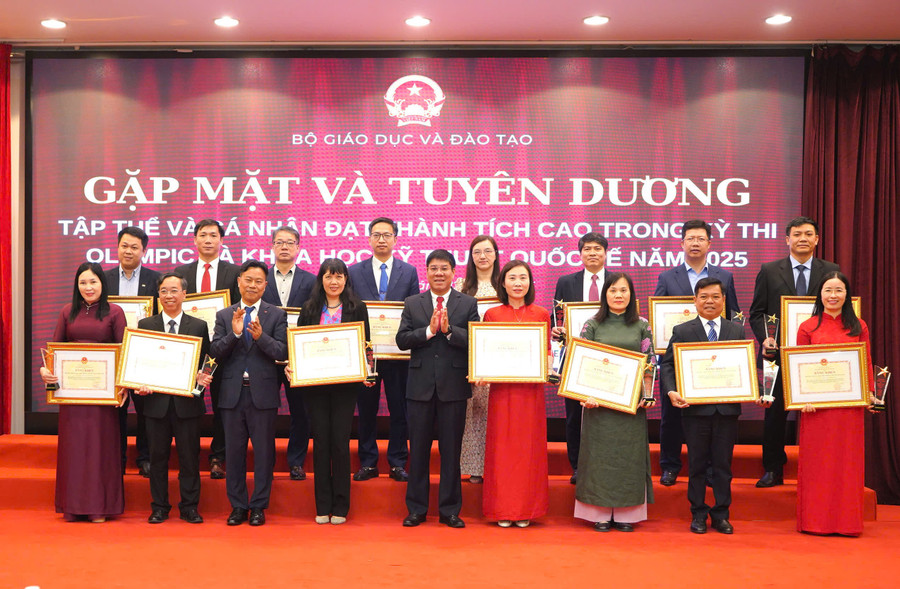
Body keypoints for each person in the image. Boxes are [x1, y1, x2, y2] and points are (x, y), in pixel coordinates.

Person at [749, 216, 840, 488]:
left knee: (820, 413)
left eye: (808, 234)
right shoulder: (769, 270)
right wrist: (766, 338)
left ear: (817, 239)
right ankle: (773, 468)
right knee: (774, 414)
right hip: (776, 356)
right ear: (787, 239)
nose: (803, 238)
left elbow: (838, 308)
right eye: (797, 234)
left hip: (817, 356)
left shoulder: (831, 270)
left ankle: (820, 470)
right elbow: (757, 313)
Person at [660, 277, 753, 535]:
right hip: (695, 410)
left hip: (726, 410)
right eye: (704, 297)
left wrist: (754, 390)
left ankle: (721, 514)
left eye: (715, 296)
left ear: (724, 300)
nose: (709, 301)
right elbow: (668, 365)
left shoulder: (736, 330)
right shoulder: (683, 330)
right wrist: (671, 390)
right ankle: (698, 513)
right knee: (697, 464)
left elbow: (743, 365)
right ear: (695, 300)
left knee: (723, 465)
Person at [653, 220, 741, 487]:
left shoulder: (724, 276)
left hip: (715, 361)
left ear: (709, 244)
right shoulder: (667, 277)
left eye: (700, 239)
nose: (695, 243)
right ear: (682, 243)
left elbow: (734, 313)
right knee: (671, 415)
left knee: (712, 417)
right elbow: (658, 316)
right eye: (690, 238)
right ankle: (670, 465)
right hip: (678, 356)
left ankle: (712, 469)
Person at [397, 249, 480, 528]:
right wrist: (429, 332)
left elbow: (475, 339)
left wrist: (448, 331)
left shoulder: (467, 303)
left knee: (451, 452)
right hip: (419, 389)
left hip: (453, 388)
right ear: (427, 272)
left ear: (454, 272)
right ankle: (416, 509)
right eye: (433, 268)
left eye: (444, 268)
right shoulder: (413, 303)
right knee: (418, 451)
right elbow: (402, 340)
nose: (439, 273)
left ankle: (450, 510)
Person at [288, 259, 373, 524]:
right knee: (321, 443)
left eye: (338, 276)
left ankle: (341, 507)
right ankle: (322, 505)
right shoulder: (309, 308)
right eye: (328, 276)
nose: (333, 282)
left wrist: (368, 371)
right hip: (316, 386)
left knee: (339, 443)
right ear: (321, 280)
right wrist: (293, 366)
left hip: (346, 386)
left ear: (346, 279)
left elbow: (366, 344)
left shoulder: (357, 307)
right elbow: (299, 345)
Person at [39, 262, 126, 522]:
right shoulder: (67, 311)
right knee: (74, 449)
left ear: (102, 283)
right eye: (83, 283)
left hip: (102, 397)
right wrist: (45, 371)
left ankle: (99, 507)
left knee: (99, 449)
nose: (88, 287)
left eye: (93, 282)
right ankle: (73, 506)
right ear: (77, 285)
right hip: (72, 395)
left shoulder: (115, 312)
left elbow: (124, 354)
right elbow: (54, 351)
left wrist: (123, 386)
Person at [796, 272, 875, 536]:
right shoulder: (807, 327)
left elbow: (865, 361)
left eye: (838, 290)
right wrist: (803, 399)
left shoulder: (858, 326)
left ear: (847, 295)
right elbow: (800, 367)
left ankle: (847, 523)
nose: (833, 295)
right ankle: (815, 522)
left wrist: (869, 394)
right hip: (817, 411)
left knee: (847, 465)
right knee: (818, 465)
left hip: (849, 409)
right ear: (819, 294)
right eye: (828, 290)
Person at [210, 260, 287, 526]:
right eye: (248, 280)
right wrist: (234, 334)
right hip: (232, 394)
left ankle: (258, 506)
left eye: (258, 281)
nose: (252, 285)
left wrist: (260, 337)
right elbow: (215, 352)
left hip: (262, 395)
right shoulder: (224, 315)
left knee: (264, 453)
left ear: (265, 285)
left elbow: (282, 351)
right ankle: (238, 506)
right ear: (239, 282)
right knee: (234, 453)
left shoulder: (276, 315)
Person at [574, 272, 654, 532]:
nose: (618, 295)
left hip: (631, 407)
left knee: (628, 457)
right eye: (613, 290)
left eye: (623, 290)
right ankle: (597, 512)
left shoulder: (642, 324)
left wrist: (647, 394)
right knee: (598, 457)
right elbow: (580, 362)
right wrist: (584, 395)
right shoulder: (592, 324)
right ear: (604, 294)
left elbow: (650, 362)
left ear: (631, 294)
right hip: (597, 406)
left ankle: (626, 514)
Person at [135, 273, 212, 524]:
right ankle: (159, 507)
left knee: (189, 459)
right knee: (157, 459)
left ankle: (189, 507)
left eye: (174, 290)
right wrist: (138, 383)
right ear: (158, 295)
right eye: (164, 291)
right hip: (155, 404)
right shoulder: (146, 325)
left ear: (184, 294)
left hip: (187, 404)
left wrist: (201, 380)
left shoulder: (198, 326)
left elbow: (208, 361)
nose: (169, 296)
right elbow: (138, 363)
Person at [348, 217, 419, 483]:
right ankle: (368, 462)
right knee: (366, 409)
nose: (381, 240)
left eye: (387, 235)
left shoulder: (408, 271)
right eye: (376, 235)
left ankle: (398, 462)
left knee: (399, 409)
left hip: (398, 353)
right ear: (369, 239)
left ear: (395, 240)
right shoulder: (354, 272)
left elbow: (414, 309)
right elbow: (350, 310)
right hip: (366, 353)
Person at [481, 260, 551, 528]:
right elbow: (485, 350)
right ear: (503, 282)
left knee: (528, 449)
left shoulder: (541, 314)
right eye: (512, 278)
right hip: (502, 391)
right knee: (502, 449)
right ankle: (502, 508)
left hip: (530, 392)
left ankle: (526, 510)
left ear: (530, 282)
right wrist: (482, 370)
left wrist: (548, 367)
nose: (518, 283)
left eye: (523, 278)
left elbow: (547, 351)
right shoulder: (492, 314)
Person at [174, 219, 242, 480]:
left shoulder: (234, 272)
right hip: (190, 349)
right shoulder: (181, 272)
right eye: (203, 235)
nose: (208, 240)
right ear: (194, 240)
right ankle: (188, 455)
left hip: (222, 349)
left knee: (223, 404)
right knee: (188, 403)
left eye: (214, 235)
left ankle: (218, 456)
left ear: (222, 241)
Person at [551, 232, 609, 483]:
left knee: (606, 414)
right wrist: (557, 329)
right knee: (574, 415)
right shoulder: (566, 282)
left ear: (606, 253)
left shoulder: (616, 281)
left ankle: (605, 464)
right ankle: (577, 466)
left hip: (609, 357)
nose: (592, 253)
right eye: (587, 249)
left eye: (597, 248)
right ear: (580, 253)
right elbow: (558, 316)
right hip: (575, 357)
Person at [105, 225, 162, 479]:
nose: (128, 251)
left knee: (146, 409)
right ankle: (116, 458)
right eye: (124, 246)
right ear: (117, 248)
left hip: (143, 354)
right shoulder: (103, 279)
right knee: (115, 409)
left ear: (144, 251)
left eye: (134, 247)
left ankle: (145, 457)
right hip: (113, 354)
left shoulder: (156, 280)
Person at [261, 226, 316, 482]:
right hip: (265, 354)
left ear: (298, 247)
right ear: (272, 246)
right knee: (264, 412)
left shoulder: (311, 280)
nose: (284, 246)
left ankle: (296, 462)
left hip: (298, 357)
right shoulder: (260, 278)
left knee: (300, 412)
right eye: (279, 242)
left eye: (290, 242)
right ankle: (266, 462)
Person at [454, 234, 500, 485]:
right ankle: (474, 467)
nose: (483, 256)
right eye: (477, 252)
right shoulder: (461, 285)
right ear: (471, 257)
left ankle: (497, 465)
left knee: (498, 413)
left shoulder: (505, 284)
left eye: (488, 251)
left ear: (496, 254)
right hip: (469, 358)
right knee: (474, 414)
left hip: (499, 358)